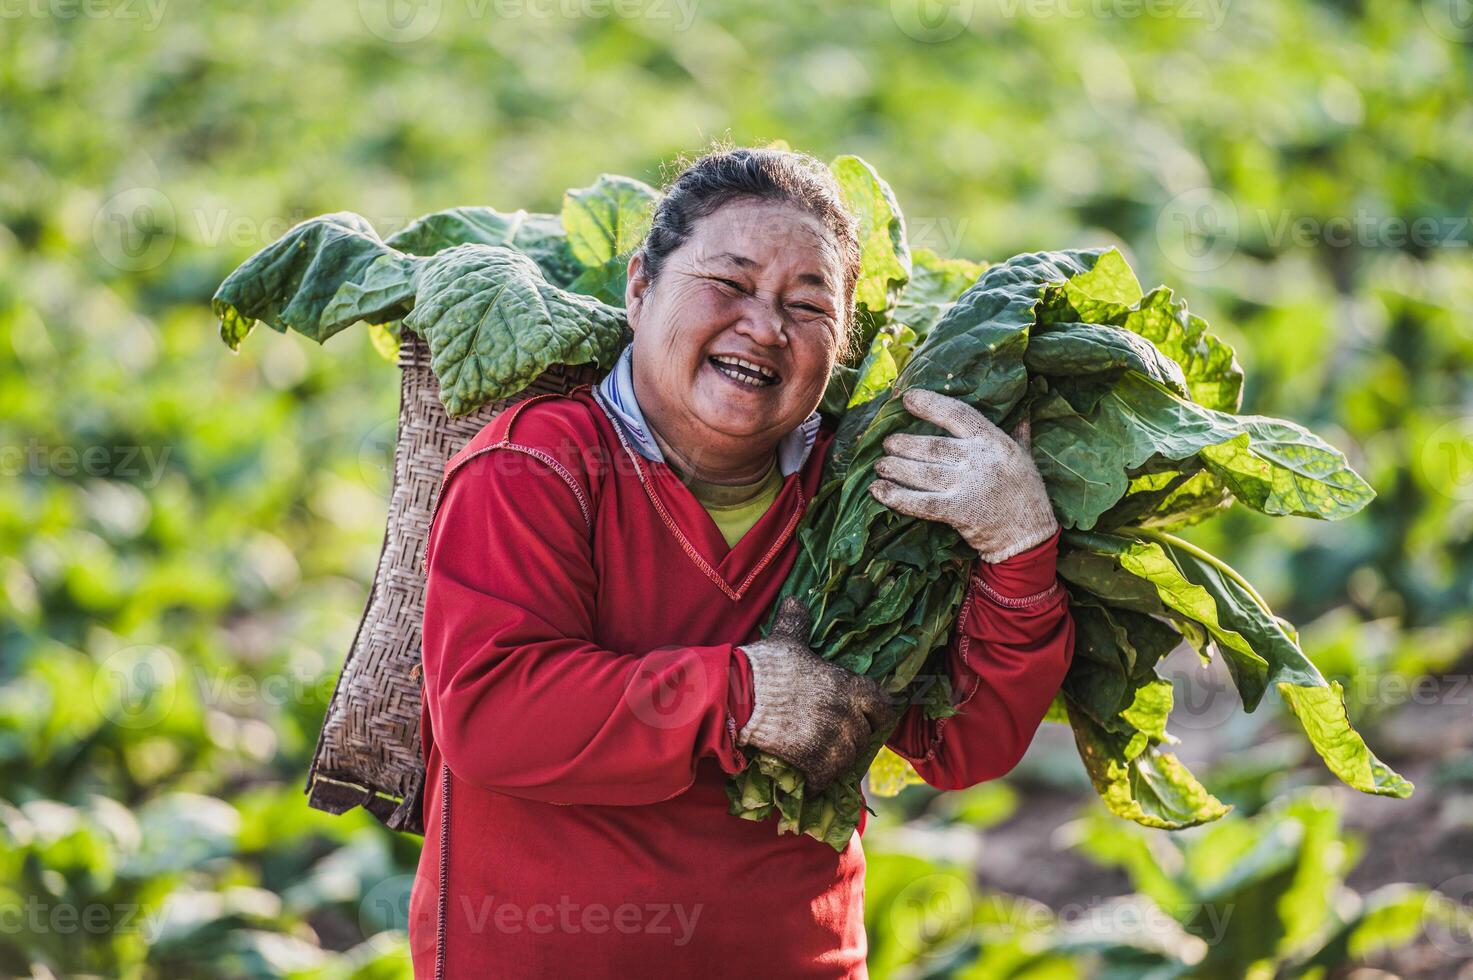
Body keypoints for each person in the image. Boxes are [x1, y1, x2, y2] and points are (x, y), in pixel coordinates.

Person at [407, 146, 1075, 978]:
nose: (765, 328)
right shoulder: (533, 464)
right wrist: (740, 695)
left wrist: (1016, 551)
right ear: (640, 287)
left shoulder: (868, 487)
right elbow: (491, 717)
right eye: (727, 285)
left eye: (807, 306)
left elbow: (960, 742)